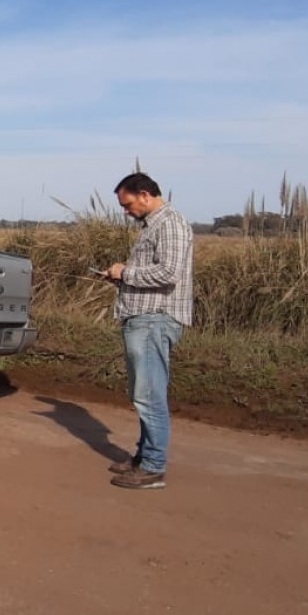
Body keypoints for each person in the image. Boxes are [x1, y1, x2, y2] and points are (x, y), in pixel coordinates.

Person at [102, 172, 195, 490]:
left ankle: (154, 466)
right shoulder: (154, 225)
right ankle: (144, 456)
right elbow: (155, 271)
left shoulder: (170, 222)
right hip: (142, 317)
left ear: (144, 195)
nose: (126, 212)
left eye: (128, 205)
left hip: (155, 319)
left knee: (149, 394)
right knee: (142, 393)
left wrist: (125, 272)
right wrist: (122, 276)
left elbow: (169, 272)